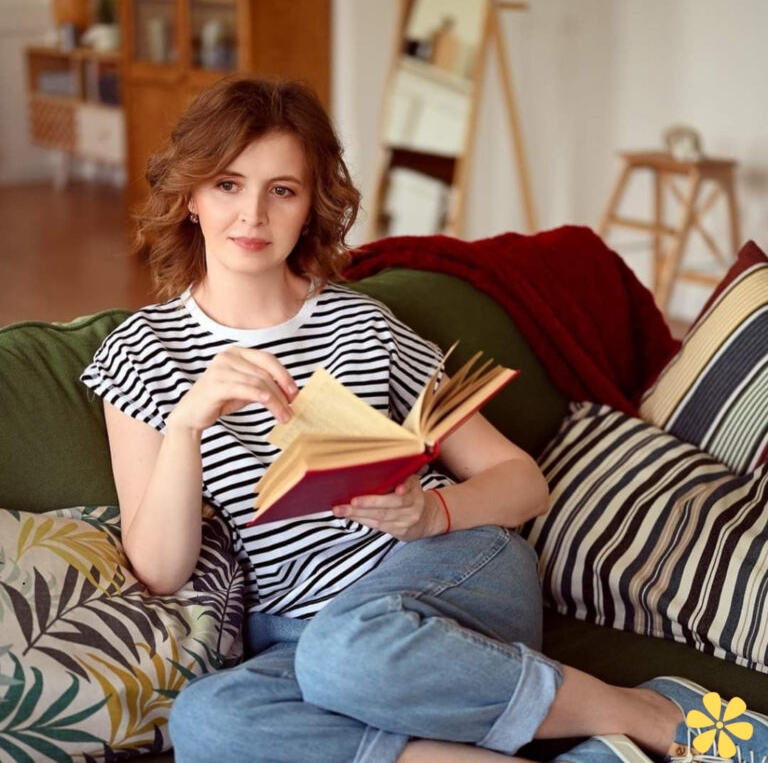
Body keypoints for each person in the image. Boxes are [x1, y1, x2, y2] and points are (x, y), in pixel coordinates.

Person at [81, 76, 768, 763]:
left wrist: (430, 513)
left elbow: (522, 482)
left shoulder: (361, 326)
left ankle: (643, 711)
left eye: (282, 190)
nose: (253, 215)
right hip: (298, 634)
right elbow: (160, 570)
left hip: (448, 572)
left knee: (344, 656)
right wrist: (187, 424)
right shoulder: (141, 355)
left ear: (309, 206)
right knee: (208, 721)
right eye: (228, 185)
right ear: (192, 196)